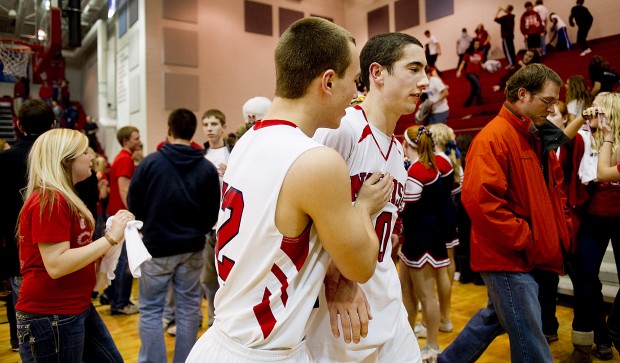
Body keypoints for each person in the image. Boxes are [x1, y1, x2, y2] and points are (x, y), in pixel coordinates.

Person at [186, 17, 393, 362]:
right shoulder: (315, 161)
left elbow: (279, 239)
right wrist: (364, 207)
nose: (356, 94)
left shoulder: (248, 140)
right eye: (353, 81)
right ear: (328, 81)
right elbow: (360, 267)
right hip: (259, 352)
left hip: (223, 339)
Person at [307, 31, 428, 363]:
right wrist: (338, 279)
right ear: (377, 73)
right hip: (341, 299)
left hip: (385, 290)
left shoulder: (398, 147)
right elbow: (306, 217)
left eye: (425, 70)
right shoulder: (341, 128)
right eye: (414, 69)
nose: (425, 81)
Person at [438, 64, 571, 363]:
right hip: (507, 257)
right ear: (522, 94)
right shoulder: (493, 138)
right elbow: (482, 203)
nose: (551, 110)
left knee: (495, 318)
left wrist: (561, 227)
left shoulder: (536, 135)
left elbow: (556, 190)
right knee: (530, 339)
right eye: (547, 101)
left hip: (528, 253)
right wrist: (529, 237)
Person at [16, 128, 134, 363]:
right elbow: (57, 264)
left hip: (72, 307)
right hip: (51, 314)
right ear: (65, 159)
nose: (91, 157)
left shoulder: (63, 196)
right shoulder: (49, 200)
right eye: (84, 152)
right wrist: (109, 239)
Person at [128, 108, 221, 363]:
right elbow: (213, 211)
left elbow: (133, 202)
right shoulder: (205, 168)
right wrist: (197, 231)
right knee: (189, 307)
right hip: (192, 247)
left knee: (150, 309)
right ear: (193, 134)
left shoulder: (150, 163)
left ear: (168, 132)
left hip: (157, 248)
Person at [564, 93, 620, 363]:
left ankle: (612, 331)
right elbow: (561, 139)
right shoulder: (584, 137)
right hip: (591, 217)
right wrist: (581, 117)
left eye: (597, 107)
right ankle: (589, 341)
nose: (591, 110)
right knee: (586, 281)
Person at [0, 99, 55, 353]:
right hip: (59, 246)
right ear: (53, 125)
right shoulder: (60, 160)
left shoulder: (4, 160)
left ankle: (19, 340)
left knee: (22, 304)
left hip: (17, 249)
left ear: (19, 125)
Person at [102, 125, 141, 315]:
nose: (139, 140)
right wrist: (131, 213)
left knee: (118, 259)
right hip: (121, 215)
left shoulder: (122, 158)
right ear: (126, 140)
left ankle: (115, 298)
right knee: (123, 261)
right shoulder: (125, 159)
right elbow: (124, 189)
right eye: (135, 138)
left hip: (116, 214)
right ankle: (120, 303)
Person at [201, 108, 233, 329]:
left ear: (223, 126)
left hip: (229, 222)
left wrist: (232, 172)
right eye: (206, 125)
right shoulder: (199, 156)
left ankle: (227, 321)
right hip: (206, 223)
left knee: (229, 278)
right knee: (207, 279)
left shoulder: (234, 153)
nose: (209, 129)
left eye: (213, 124)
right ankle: (213, 321)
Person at [456, 40, 484, 108]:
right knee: (477, 85)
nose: (477, 45)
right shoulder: (468, 53)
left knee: (474, 88)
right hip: (469, 73)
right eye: (476, 44)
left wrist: (487, 67)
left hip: (477, 73)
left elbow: (481, 63)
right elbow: (463, 63)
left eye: (478, 44)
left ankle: (468, 103)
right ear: (472, 45)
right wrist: (459, 71)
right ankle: (479, 100)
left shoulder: (480, 53)